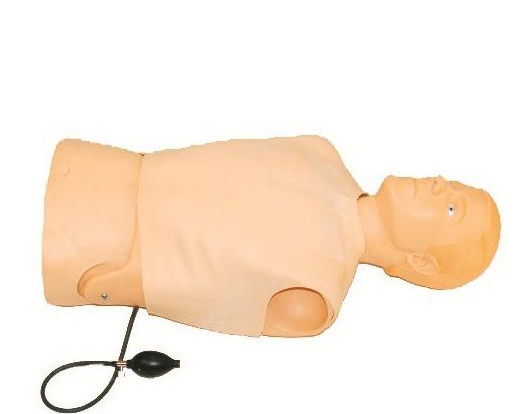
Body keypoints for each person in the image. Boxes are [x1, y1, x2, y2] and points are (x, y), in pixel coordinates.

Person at [42, 136, 500, 338]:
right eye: (453, 185)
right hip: (99, 168)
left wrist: (109, 281)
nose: (440, 184)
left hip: (82, 248)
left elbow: (202, 295)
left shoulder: (314, 295)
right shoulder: (320, 151)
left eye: (451, 208)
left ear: (420, 261)